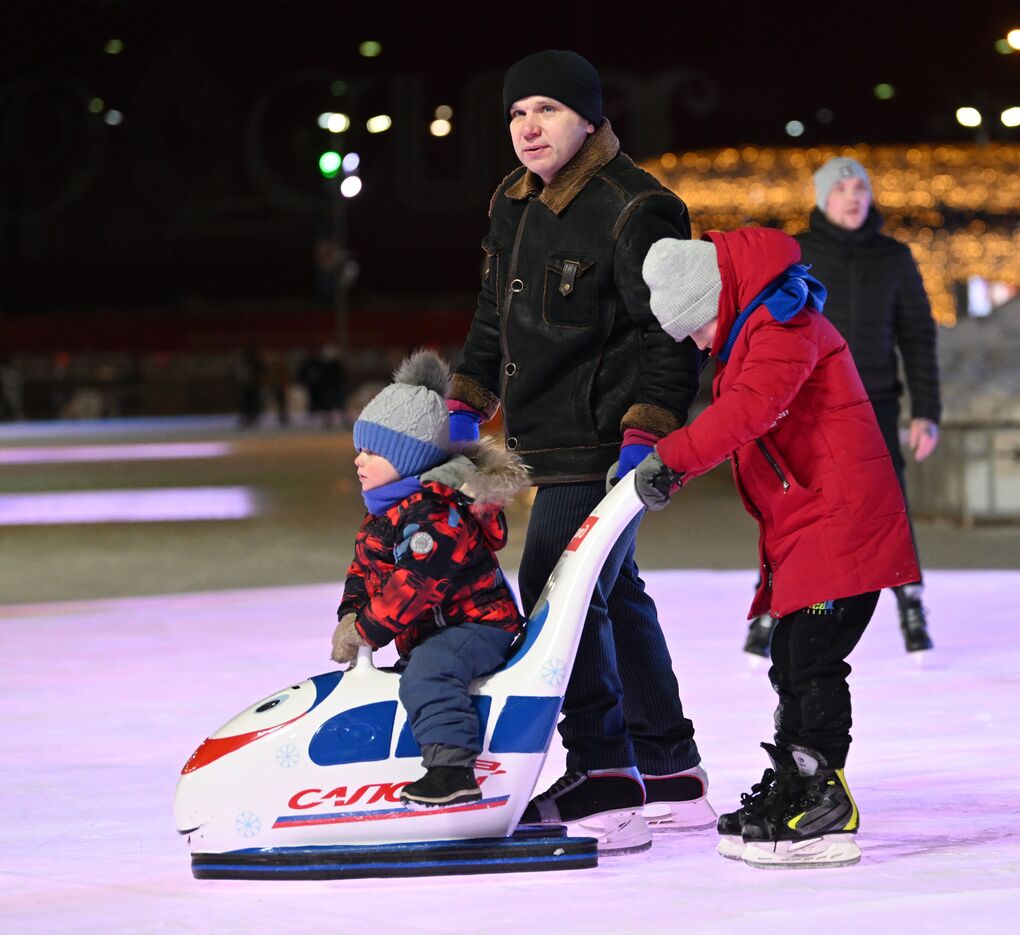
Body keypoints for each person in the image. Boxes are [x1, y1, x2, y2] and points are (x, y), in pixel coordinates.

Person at [448, 50, 710, 853]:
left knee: (558, 588)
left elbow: (670, 334)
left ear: (589, 119)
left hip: (601, 446)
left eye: (548, 110)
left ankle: (603, 776)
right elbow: (497, 310)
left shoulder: (637, 208)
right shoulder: (513, 201)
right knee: (612, 592)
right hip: (541, 438)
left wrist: (647, 431)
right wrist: (467, 398)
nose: (529, 127)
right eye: (517, 113)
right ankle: (667, 768)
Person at [630, 226, 921, 869]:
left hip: (840, 523)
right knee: (793, 657)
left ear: (717, 303)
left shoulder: (782, 324)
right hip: (816, 524)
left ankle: (822, 801)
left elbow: (749, 411)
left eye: (696, 328)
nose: (699, 345)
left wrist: (670, 460)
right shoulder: (762, 326)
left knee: (808, 658)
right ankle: (797, 784)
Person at [740, 155, 939, 657]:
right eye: (841, 189)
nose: (852, 198)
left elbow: (918, 337)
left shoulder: (894, 257)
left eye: (860, 189)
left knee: (885, 504)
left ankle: (910, 602)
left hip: (874, 404)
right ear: (822, 199)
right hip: (808, 403)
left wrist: (926, 411)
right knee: (796, 509)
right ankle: (773, 607)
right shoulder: (797, 256)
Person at [331, 350, 530, 806]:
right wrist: (350, 613)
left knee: (430, 672)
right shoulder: (385, 511)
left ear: (409, 457)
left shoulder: (434, 513)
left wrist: (367, 631)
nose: (359, 461)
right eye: (358, 449)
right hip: (438, 629)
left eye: (373, 451)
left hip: (478, 625)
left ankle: (452, 771)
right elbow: (364, 569)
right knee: (411, 675)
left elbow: (415, 584)